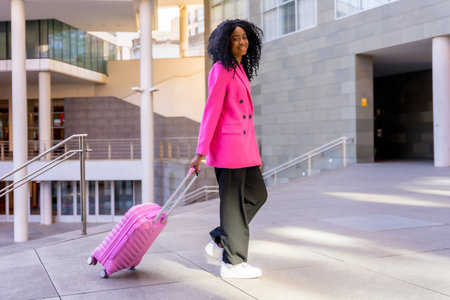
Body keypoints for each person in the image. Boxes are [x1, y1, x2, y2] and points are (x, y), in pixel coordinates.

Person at [190, 19, 267, 279]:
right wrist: (201, 151)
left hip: (244, 149)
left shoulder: (239, 68)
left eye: (244, 37)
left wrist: (256, 156)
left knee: (257, 195)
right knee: (233, 205)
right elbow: (211, 111)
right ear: (226, 42)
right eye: (236, 38)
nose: (242, 41)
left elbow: (247, 116)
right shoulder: (221, 69)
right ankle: (233, 264)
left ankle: (220, 238)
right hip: (228, 147)